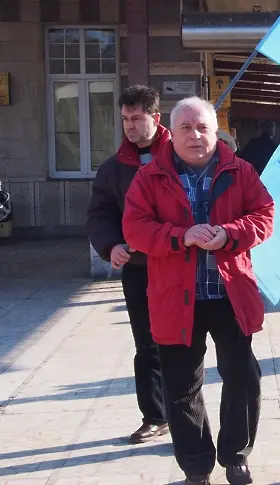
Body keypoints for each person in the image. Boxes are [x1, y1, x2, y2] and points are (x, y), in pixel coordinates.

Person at [122, 96, 275, 485]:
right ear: (170, 134)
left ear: (215, 131)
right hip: (176, 297)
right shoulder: (150, 177)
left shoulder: (239, 171)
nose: (194, 135)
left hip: (229, 294)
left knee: (242, 377)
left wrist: (228, 233)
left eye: (202, 127)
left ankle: (236, 455)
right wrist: (181, 236)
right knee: (181, 385)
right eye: (186, 129)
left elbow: (264, 216)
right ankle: (196, 466)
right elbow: (135, 228)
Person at [86, 85, 170, 444]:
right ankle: (155, 415)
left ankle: (187, 418)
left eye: (136, 118)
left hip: (179, 265)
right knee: (146, 344)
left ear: (156, 117)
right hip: (137, 268)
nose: (130, 126)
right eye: (125, 119)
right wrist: (110, 246)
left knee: (184, 344)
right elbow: (100, 213)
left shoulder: (181, 155)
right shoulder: (114, 167)